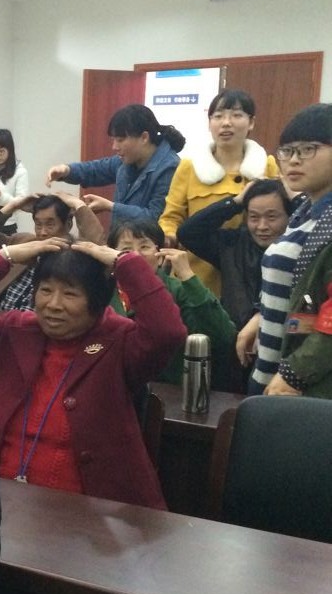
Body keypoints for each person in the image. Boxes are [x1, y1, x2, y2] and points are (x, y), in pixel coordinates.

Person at [0, 238, 186, 508]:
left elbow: (167, 331)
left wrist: (124, 263)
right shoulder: (11, 331)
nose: (53, 304)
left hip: (94, 512)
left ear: (98, 301)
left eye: (70, 294)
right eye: (45, 290)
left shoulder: (119, 341)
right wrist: (4, 256)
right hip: (0, 500)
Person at [248, 104, 332, 397]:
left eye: (308, 149)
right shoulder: (304, 212)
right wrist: (260, 317)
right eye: (287, 151)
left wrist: (294, 375)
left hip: (308, 381)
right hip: (272, 364)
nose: (294, 160)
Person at [159, 89, 279, 293]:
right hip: (196, 275)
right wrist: (168, 236)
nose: (226, 123)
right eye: (218, 116)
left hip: (247, 277)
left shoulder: (266, 165)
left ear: (251, 122)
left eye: (236, 115)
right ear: (209, 123)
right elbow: (171, 216)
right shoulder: (190, 166)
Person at [108, 219, 236, 391]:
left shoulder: (179, 290)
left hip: (167, 392)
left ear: (161, 256)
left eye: (144, 247)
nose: (136, 255)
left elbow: (223, 336)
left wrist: (188, 276)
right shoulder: (103, 291)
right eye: (126, 249)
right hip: (112, 388)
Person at [178, 179, 293, 331]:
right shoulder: (232, 245)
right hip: (234, 334)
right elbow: (188, 233)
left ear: (289, 216)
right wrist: (235, 202)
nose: (262, 226)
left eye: (271, 217)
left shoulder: (299, 248)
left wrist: (298, 200)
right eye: (254, 217)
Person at [46, 104, 185, 228]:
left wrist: (111, 207)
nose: (114, 147)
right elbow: (95, 170)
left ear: (144, 137)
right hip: (122, 242)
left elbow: (156, 218)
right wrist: (66, 170)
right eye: (113, 140)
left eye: (120, 140)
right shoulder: (126, 160)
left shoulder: (170, 168)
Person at [0, 192, 105, 311]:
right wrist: (13, 206)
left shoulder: (75, 253)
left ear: (68, 224)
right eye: (38, 225)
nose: (43, 232)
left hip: (40, 326)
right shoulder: (25, 242)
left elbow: (98, 248)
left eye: (50, 224)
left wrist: (78, 205)